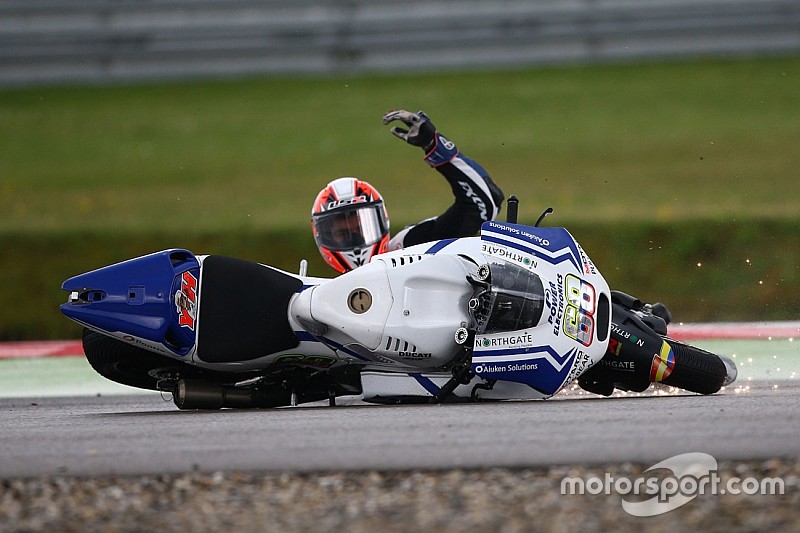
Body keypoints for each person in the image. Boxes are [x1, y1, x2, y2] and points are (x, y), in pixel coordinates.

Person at [311, 110, 505, 273]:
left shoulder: (410, 247)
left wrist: (435, 147)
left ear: (382, 220)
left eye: (363, 229)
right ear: (322, 238)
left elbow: (485, 203)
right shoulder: (314, 299)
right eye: (344, 234)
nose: (355, 240)